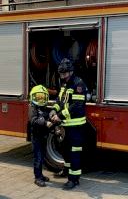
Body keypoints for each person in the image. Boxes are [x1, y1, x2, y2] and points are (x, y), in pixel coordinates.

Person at [51, 58, 87, 190]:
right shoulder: (64, 84)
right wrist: (54, 109)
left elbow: (77, 106)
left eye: (64, 74)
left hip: (76, 126)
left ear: (71, 72)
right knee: (64, 149)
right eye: (61, 74)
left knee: (74, 152)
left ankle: (74, 179)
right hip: (65, 125)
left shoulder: (78, 84)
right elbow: (60, 100)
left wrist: (59, 115)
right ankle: (66, 171)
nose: (62, 76)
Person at [28, 85, 53, 187]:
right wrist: (45, 122)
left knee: (42, 157)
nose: (41, 99)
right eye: (38, 97)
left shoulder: (44, 108)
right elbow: (33, 120)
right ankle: (37, 178)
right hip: (37, 138)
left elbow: (48, 117)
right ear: (33, 97)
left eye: (42, 97)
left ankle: (41, 175)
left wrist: (52, 115)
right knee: (38, 158)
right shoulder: (33, 108)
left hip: (43, 137)